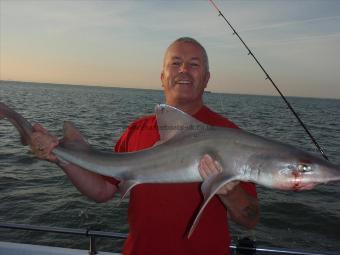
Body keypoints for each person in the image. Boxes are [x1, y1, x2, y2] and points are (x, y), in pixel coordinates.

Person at [31, 37, 260, 255]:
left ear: (207, 78)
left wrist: (230, 192)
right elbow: (102, 191)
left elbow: (250, 220)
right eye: (176, 63)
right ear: (162, 76)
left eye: (194, 64)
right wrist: (61, 158)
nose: (183, 70)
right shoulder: (137, 130)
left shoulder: (231, 136)